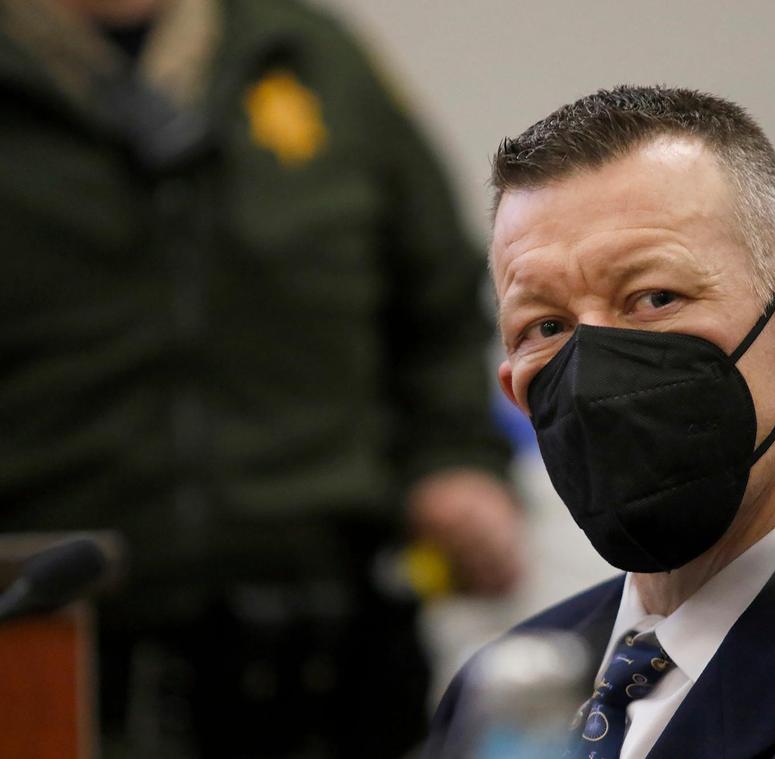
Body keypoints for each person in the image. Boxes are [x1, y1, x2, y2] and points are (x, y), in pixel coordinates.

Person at [0, 0, 523, 756]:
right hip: (51, 658)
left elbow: (439, 300)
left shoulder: (312, 56)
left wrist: (456, 462)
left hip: (329, 663)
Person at [426, 85, 775, 759]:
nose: (593, 370)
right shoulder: (494, 699)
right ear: (515, 391)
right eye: (546, 326)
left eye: (654, 297)